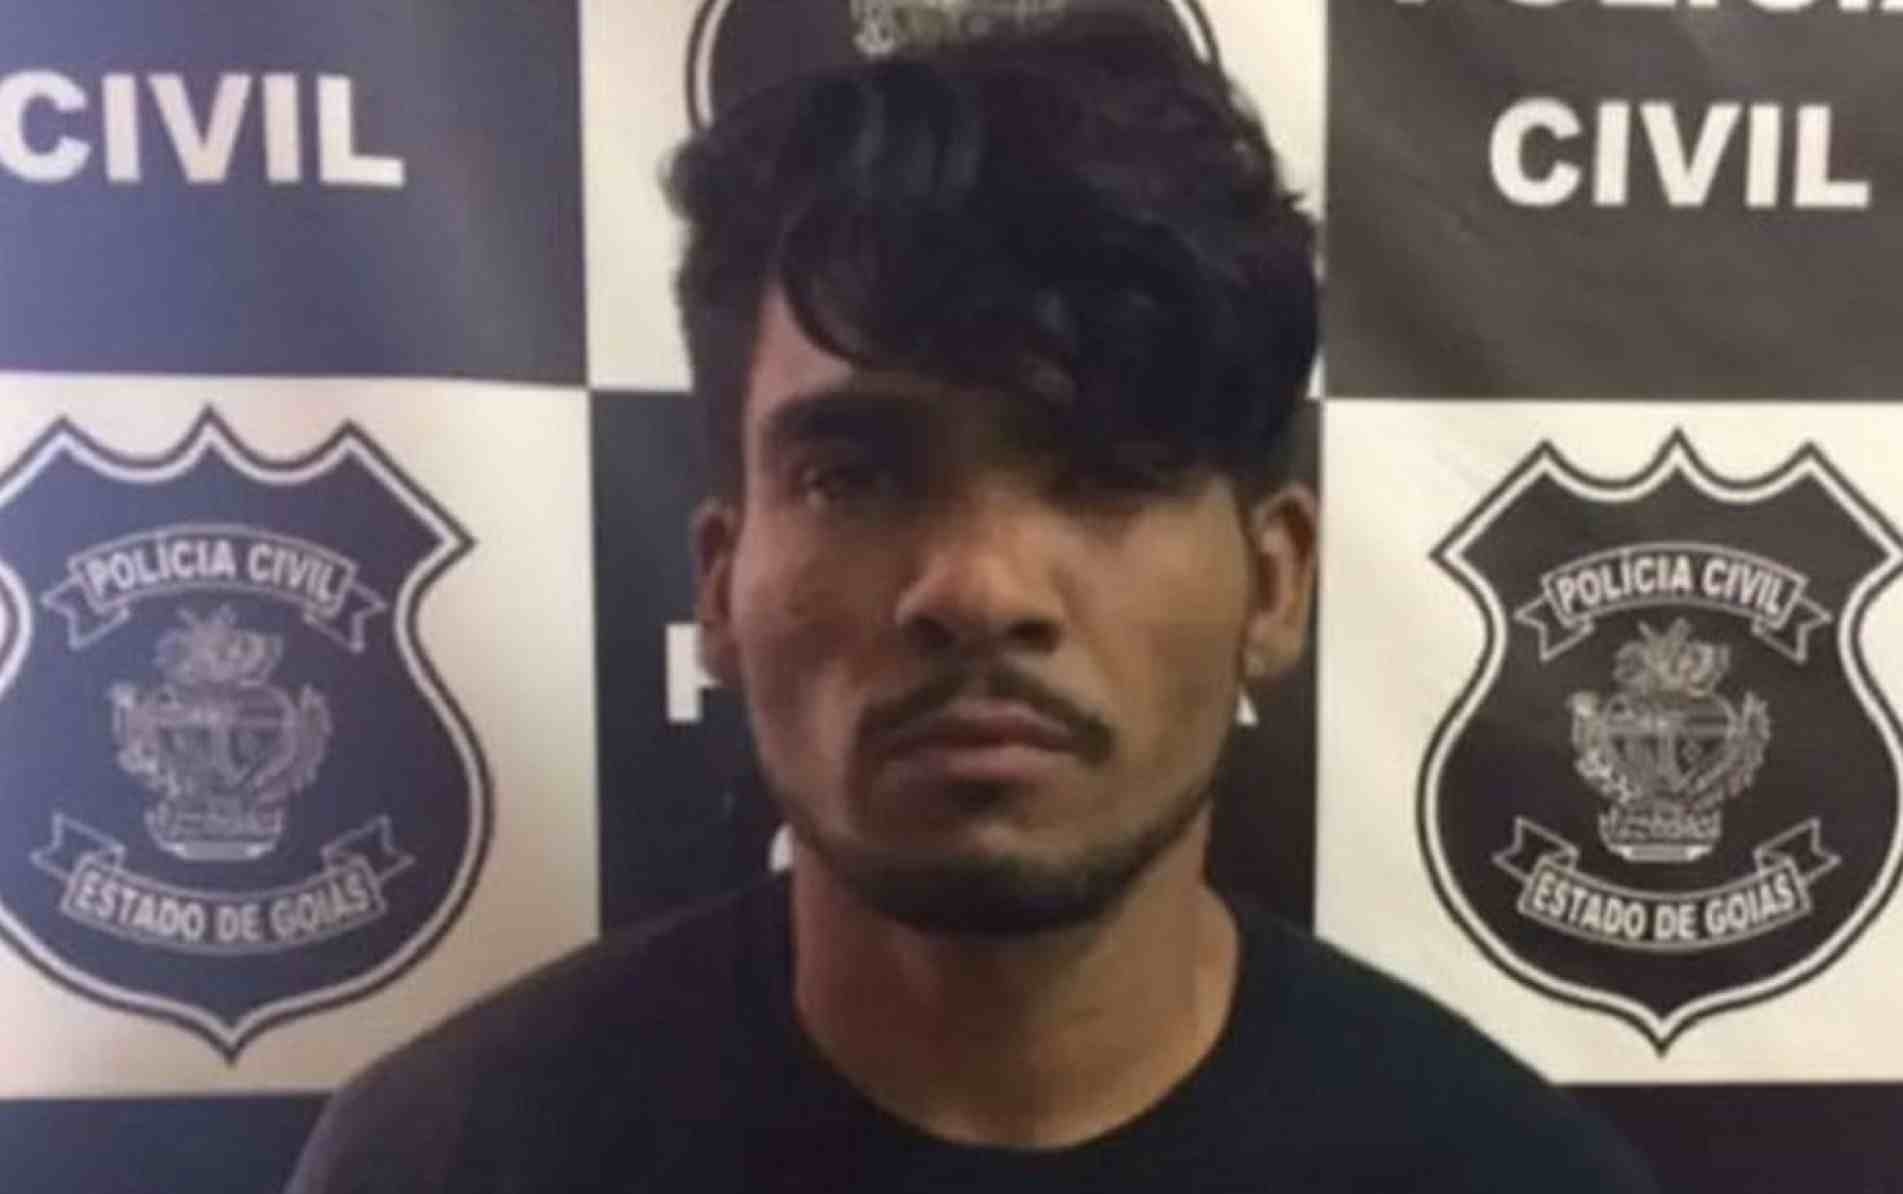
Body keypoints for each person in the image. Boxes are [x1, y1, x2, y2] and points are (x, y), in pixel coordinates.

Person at [284, 14, 1657, 1192]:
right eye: (854, 474)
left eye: (1108, 467)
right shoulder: (445, 1161)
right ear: (719, 580)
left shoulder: (1512, 1175)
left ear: (1276, 581)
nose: (979, 587)